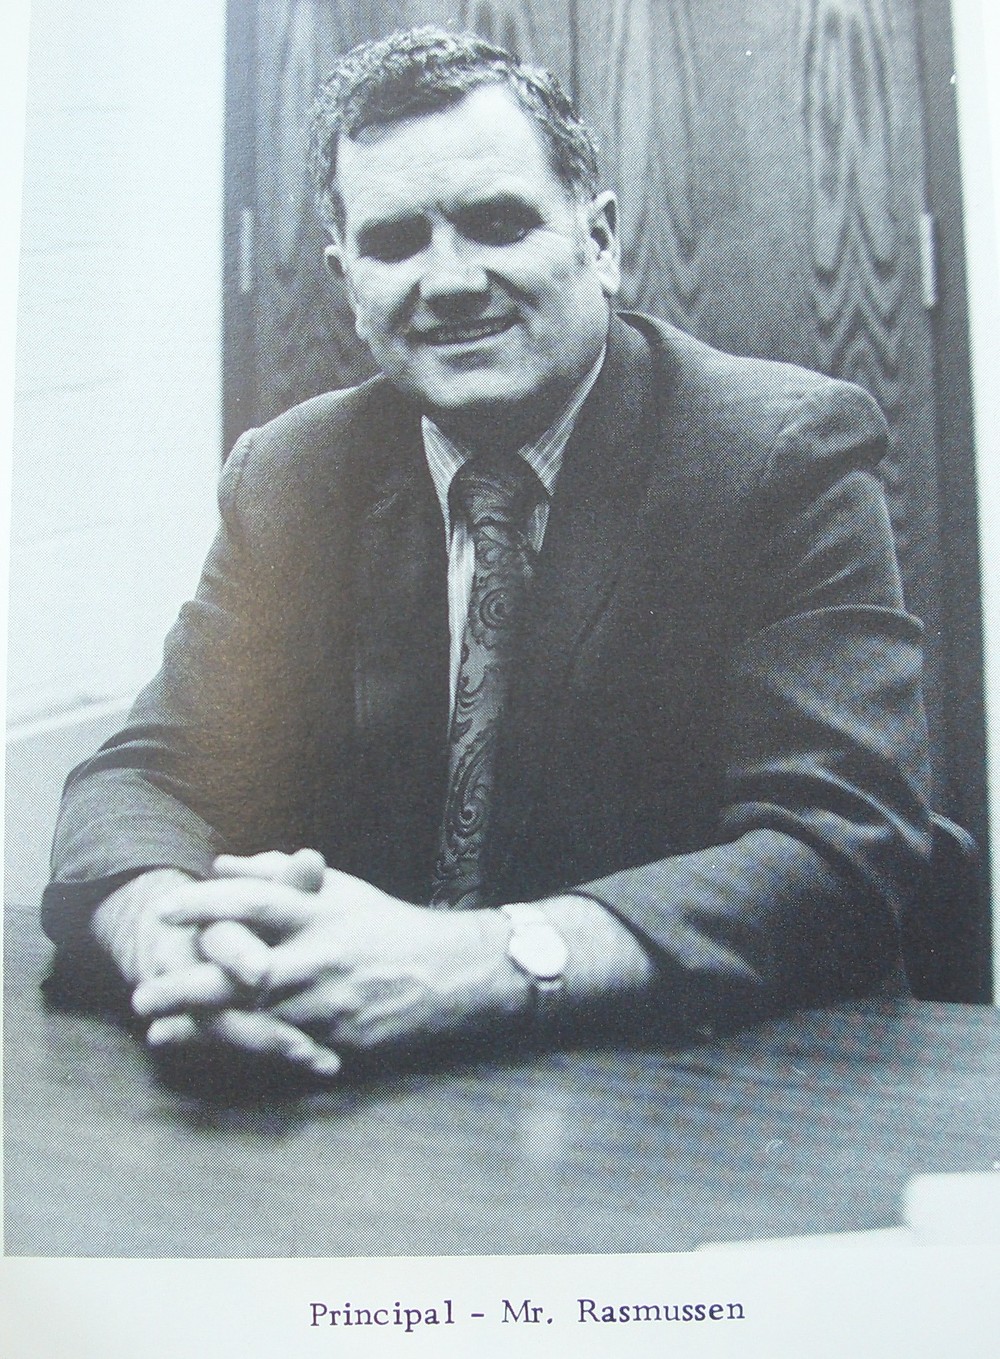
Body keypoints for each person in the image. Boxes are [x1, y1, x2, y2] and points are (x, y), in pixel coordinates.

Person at [42, 28, 931, 1079]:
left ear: (599, 241)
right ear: (346, 282)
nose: (451, 280)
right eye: (394, 242)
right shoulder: (292, 474)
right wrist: (173, 935)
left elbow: (843, 846)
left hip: (679, 1080)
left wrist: (491, 961)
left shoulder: (777, 453)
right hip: (367, 1085)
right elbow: (142, 776)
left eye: (497, 223)